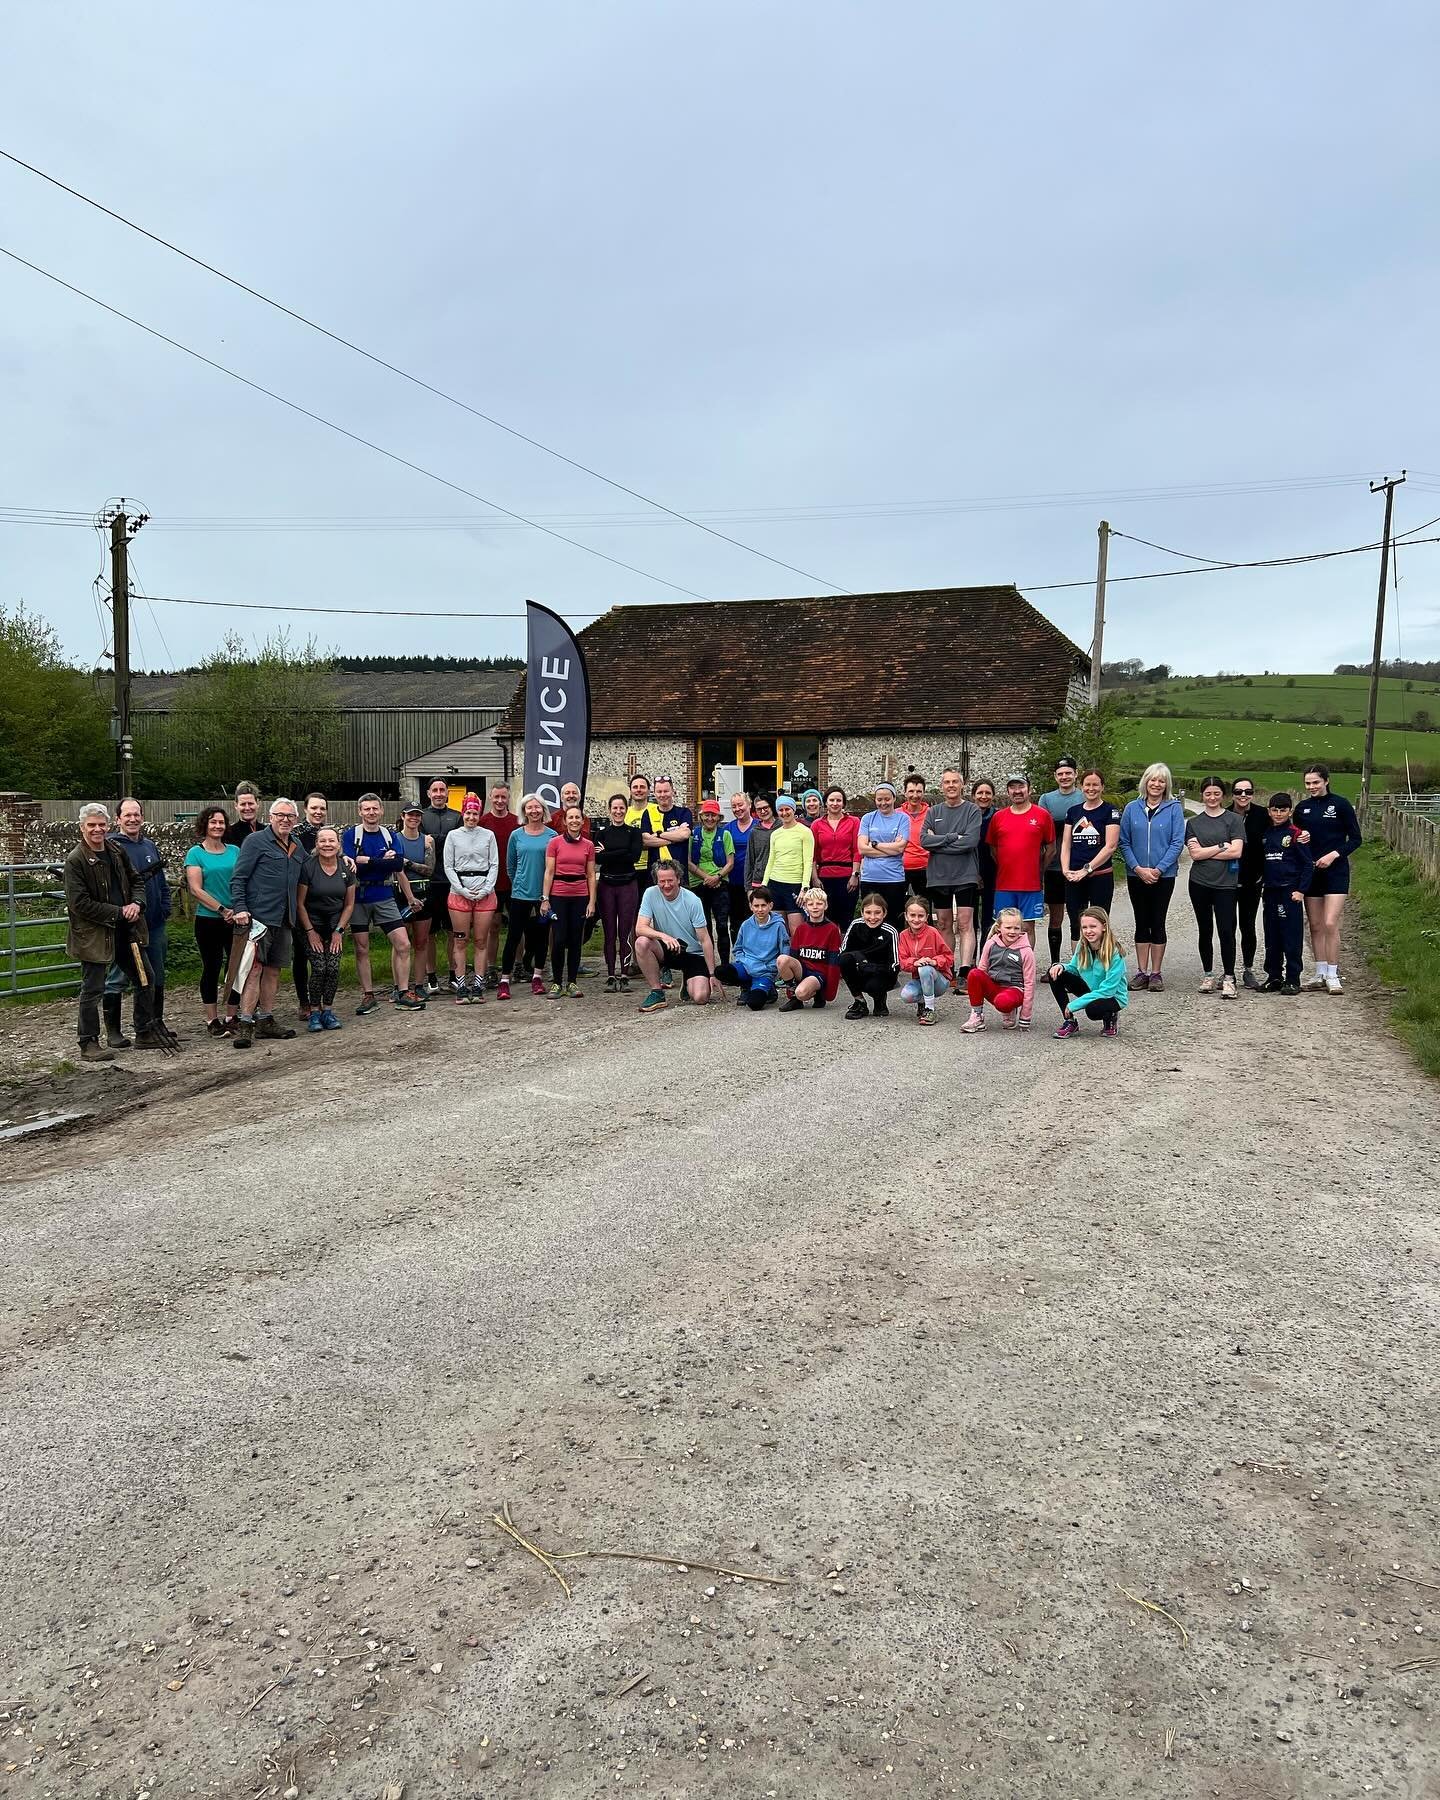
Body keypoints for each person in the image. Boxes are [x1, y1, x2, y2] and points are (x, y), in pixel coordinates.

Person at [64, 803, 159, 1061]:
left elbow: (136, 880)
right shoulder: (76, 860)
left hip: (126, 932)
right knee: (92, 988)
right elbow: (79, 903)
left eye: (101, 825)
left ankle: (144, 1031)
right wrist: (118, 912)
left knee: (144, 977)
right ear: (82, 827)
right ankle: (88, 1042)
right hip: (95, 936)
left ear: (108, 826)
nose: (97, 830)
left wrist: (137, 904)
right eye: (92, 825)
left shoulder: (116, 851)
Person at [229, 797, 306, 1048]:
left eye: (290, 816)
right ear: (271, 817)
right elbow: (239, 877)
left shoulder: (296, 846)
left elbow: (312, 866)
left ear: (296, 820)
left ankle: (266, 1020)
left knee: (274, 970)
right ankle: (245, 1023)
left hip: (285, 919)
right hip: (258, 918)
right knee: (254, 969)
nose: (285, 820)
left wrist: (343, 859)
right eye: (280, 815)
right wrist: (240, 908)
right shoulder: (255, 841)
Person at [342, 793, 425, 1014]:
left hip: (384, 895)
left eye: (374, 809)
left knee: (403, 944)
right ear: (360, 811)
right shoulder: (351, 836)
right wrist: (381, 862)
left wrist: (368, 861)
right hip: (358, 897)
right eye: (366, 809)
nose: (371, 813)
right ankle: (368, 995)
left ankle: (404, 992)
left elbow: (398, 865)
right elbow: (353, 868)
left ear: (381, 811)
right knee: (362, 948)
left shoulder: (389, 836)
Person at [105, 797, 172, 1040]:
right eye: (127, 815)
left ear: (142, 817)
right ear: (118, 819)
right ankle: (114, 1031)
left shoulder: (149, 845)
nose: (133, 819)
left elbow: (160, 879)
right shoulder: (111, 847)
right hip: (128, 925)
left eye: (137, 814)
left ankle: (155, 1024)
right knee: (121, 976)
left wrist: (165, 906)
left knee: (156, 974)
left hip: (154, 922)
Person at [1294, 763, 1362, 993]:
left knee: (1330, 923)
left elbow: (1355, 839)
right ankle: (1319, 973)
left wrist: (1334, 855)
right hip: (1311, 872)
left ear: (1326, 781)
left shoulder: (1341, 805)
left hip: (1335, 871)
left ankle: (1333, 974)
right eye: (1308, 783)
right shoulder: (1302, 808)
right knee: (1314, 925)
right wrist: (1299, 840)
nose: (1312, 786)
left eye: (1316, 782)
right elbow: (1295, 836)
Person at [1119, 762, 1186, 992]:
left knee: (1158, 921)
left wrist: (1158, 869)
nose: (1156, 784)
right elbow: (1124, 841)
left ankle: (1156, 973)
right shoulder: (1131, 808)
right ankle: (1141, 971)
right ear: (1145, 782)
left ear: (1166, 784)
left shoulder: (1174, 808)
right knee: (1141, 921)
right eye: (1152, 780)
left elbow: (1178, 842)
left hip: (1163, 876)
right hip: (1135, 874)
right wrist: (1138, 868)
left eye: (1161, 780)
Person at [919, 768, 984, 987]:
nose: (951, 785)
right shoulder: (933, 811)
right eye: (947, 782)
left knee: (966, 923)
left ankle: (966, 970)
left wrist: (939, 841)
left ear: (962, 784)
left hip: (965, 874)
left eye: (955, 781)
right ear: (942, 785)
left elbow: (970, 842)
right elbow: (924, 841)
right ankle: (948, 968)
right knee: (944, 923)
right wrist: (951, 837)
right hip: (939, 876)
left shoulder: (972, 810)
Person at [633, 860, 720, 1012]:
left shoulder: (693, 900)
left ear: (678, 879)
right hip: (667, 947)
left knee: (701, 998)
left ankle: (689, 980)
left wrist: (712, 973)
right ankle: (657, 992)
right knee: (641, 942)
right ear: (656, 881)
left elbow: (705, 939)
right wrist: (663, 936)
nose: (666, 885)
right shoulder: (650, 893)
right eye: (662, 881)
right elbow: (640, 928)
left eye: (670, 880)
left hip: (693, 953)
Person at [1185, 776, 1245, 999]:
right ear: (1202, 795)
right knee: (1205, 929)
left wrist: (1207, 851)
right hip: (1199, 882)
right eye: (1208, 793)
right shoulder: (1193, 823)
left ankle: (1229, 977)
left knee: (1226, 930)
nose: (1212, 798)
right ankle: (1208, 974)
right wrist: (1221, 846)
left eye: (1216, 793)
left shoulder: (1234, 820)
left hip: (1226, 884)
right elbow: (1195, 854)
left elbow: (1237, 851)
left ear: (1223, 795)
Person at [183, 804, 241, 1037]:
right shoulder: (196, 853)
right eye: (213, 822)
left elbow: (242, 880)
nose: (218, 826)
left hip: (236, 918)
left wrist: (237, 909)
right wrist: (221, 909)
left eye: (221, 822)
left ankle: (231, 1015)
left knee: (236, 968)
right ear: (204, 825)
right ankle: (212, 1019)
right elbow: (196, 889)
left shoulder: (235, 851)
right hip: (209, 919)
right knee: (212, 967)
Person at [296, 825, 355, 1030]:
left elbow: (349, 904)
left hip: (335, 926)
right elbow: (299, 903)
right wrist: (310, 932)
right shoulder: (308, 867)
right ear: (317, 844)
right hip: (310, 925)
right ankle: (314, 1012)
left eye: (331, 841)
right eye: (323, 841)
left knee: (333, 967)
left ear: (338, 845)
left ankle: (328, 1011)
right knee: (319, 968)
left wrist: (339, 931)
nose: (327, 845)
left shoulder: (346, 868)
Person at [443, 792, 500, 1001]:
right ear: (463, 813)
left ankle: (478, 982)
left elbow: (494, 863)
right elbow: (448, 865)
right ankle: (460, 984)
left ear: (479, 814)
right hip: (460, 892)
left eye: (475, 813)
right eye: (468, 812)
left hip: (484, 890)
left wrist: (486, 888)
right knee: (460, 940)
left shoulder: (488, 835)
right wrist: (461, 889)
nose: (471, 817)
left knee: (480, 940)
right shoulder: (453, 836)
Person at [986, 774, 1054, 945]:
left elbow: (1051, 849)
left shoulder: (1042, 815)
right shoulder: (998, 817)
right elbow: (993, 849)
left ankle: (1025, 965)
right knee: (1003, 927)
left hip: (1030, 884)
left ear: (1029, 790)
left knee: (1026, 928)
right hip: (1004, 884)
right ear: (1008, 791)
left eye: (1021, 787)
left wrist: (1038, 870)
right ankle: (1005, 966)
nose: (1017, 791)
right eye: (1013, 787)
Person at [500, 794, 556, 998]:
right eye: (530, 808)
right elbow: (511, 866)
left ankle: (537, 977)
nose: (534, 811)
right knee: (514, 937)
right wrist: (519, 883)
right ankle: (505, 980)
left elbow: (553, 868)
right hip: (520, 895)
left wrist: (545, 895)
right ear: (524, 811)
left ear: (543, 810)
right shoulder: (516, 835)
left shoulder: (552, 836)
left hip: (543, 896)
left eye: (538, 807)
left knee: (541, 937)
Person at [1258, 792, 1313, 995]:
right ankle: (1274, 977)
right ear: (1269, 811)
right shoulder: (1266, 834)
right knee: (1272, 937)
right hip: (1270, 891)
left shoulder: (1296, 834)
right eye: (1275, 810)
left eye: (1283, 810)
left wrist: (1301, 890)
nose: (1279, 814)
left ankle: (1293, 979)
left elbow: (1309, 865)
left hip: (1290, 892)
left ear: (1290, 811)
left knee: (1291, 936)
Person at [1048, 906, 1129, 1040]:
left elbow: (1107, 990)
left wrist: (1074, 1005)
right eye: (1084, 927)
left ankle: (1110, 1016)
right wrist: (1060, 966)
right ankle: (1069, 1021)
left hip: (1112, 996)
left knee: (1092, 1010)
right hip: (1092, 989)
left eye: (1093, 926)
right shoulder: (1083, 945)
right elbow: (1074, 968)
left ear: (1103, 927)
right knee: (1055, 973)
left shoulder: (1114, 953)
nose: (1088, 931)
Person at [541, 804, 597, 995]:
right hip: (558, 896)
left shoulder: (588, 845)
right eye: (570, 817)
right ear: (565, 821)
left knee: (575, 940)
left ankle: (572, 982)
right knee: (558, 939)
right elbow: (549, 872)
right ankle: (557, 982)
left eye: (577, 818)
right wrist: (545, 899)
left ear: (582, 821)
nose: (574, 821)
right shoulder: (554, 843)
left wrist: (591, 901)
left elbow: (590, 875)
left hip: (580, 896)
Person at [1060, 770, 1121, 942]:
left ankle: (1100, 966)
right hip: (1074, 877)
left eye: (1095, 784)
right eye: (1087, 784)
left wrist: (1087, 869)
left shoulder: (1110, 811)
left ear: (1102, 787)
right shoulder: (1073, 812)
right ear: (1081, 787)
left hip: (1099, 876)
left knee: (1098, 924)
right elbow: (1066, 844)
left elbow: (1110, 846)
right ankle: (1078, 967)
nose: (1091, 788)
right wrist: (1065, 870)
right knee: (1076, 924)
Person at [594, 793, 645, 992]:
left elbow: (633, 856)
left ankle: (624, 974)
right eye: (614, 808)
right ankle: (610, 974)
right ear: (609, 810)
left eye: (621, 808)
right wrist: (621, 852)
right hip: (607, 885)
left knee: (625, 931)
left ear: (626, 809)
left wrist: (609, 854)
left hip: (628, 885)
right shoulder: (601, 834)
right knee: (609, 932)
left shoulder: (634, 832)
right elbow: (598, 860)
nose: (618, 811)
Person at [419, 778, 463, 995]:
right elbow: (418, 842)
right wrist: (444, 839)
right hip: (428, 882)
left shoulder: (457, 816)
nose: (438, 793)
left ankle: (454, 975)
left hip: (452, 882)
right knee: (429, 933)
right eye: (434, 790)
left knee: (454, 932)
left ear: (447, 793)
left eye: (442, 790)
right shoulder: (421, 816)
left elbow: (459, 843)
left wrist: (435, 839)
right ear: (428, 793)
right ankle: (431, 977)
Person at [961, 906, 1036, 1033]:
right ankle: (977, 1016)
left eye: (1016, 928)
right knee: (974, 973)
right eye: (1008, 927)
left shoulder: (1026, 951)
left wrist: (1025, 1017)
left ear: (1021, 929)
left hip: (1014, 989)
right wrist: (979, 986)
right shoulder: (991, 943)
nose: (1012, 931)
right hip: (994, 987)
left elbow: (1029, 983)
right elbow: (982, 969)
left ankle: (1010, 1009)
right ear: (999, 927)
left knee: (1002, 1002)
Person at [717, 884, 791, 1009]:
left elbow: (784, 951)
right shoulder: (746, 925)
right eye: (756, 906)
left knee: (754, 1004)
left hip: (765, 971)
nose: (760, 909)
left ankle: (769, 989)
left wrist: (774, 969)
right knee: (721, 971)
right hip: (746, 966)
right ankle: (746, 986)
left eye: (763, 905)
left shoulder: (779, 926)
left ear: (770, 906)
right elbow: (738, 948)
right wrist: (743, 961)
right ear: (751, 907)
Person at [1038, 756, 1082, 964]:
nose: (1064, 777)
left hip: (1079, 866)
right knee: (1056, 917)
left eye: (1068, 773)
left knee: (1078, 917)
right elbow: (1042, 830)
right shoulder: (1046, 799)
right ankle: (1055, 964)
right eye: (1060, 774)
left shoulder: (1083, 796)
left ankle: (1080, 965)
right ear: (1055, 777)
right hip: (1054, 867)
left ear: (1075, 774)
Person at [290, 792, 329, 1018]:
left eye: (322, 808)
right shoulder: (295, 835)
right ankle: (304, 1002)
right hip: (301, 900)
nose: (318, 812)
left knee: (323, 955)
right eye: (314, 808)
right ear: (305, 810)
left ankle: (320, 998)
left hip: (324, 901)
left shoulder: (329, 834)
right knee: (302, 954)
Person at [1230, 776, 1269, 989]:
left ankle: (1248, 969)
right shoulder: (1225, 814)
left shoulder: (1263, 815)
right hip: (1226, 880)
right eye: (1238, 791)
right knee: (1228, 927)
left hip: (1253, 880)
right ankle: (1228, 971)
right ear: (1233, 793)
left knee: (1248, 925)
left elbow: (1282, 833)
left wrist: (1302, 835)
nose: (1243, 795)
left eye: (1247, 791)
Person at [479, 784, 519, 987]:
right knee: (492, 927)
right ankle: (491, 968)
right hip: (492, 883)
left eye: (503, 797)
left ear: (508, 798)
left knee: (517, 927)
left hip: (514, 882)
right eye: (496, 797)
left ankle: (519, 965)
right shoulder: (483, 822)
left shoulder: (517, 821)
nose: (500, 801)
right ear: (490, 797)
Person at [838, 892, 900, 1019]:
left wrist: (875, 969)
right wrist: (861, 959)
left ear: (884, 913)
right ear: (862, 912)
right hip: (860, 968)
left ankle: (880, 1000)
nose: (872, 917)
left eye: (877, 913)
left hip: (881, 972)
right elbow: (843, 952)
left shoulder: (891, 931)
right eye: (868, 912)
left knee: (873, 986)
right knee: (844, 960)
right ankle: (859, 1002)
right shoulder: (856, 925)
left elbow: (895, 963)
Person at [395, 800, 436, 993]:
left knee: (422, 941)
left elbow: (429, 870)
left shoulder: (427, 841)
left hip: (424, 892)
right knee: (400, 943)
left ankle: (419, 985)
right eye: (410, 814)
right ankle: (398, 986)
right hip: (400, 893)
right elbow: (395, 868)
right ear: (403, 816)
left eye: (417, 815)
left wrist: (406, 862)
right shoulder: (394, 839)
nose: (414, 818)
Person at [779, 887, 841, 1011]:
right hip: (802, 970)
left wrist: (829, 992)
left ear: (826, 906)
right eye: (810, 904)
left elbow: (834, 962)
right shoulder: (801, 929)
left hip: (819, 974)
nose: (815, 907)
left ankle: (817, 993)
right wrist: (791, 991)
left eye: (819, 903)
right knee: (782, 959)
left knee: (802, 992)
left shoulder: (832, 929)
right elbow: (794, 955)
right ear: (805, 907)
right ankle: (794, 999)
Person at [857, 783, 910, 927]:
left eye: (887, 799)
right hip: (870, 878)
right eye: (879, 799)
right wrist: (890, 847)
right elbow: (862, 849)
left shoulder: (903, 819)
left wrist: (874, 844)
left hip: (894, 879)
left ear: (894, 798)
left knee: (894, 921)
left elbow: (899, 848)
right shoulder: (867, 818)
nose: (883, 803)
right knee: (871, 922)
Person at [897, 894, 954, 1026]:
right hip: (919, 979)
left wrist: (934, 961)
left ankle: (930, 1010)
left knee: (925, 969)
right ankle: (923, 1003)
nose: (916, 919)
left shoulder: (932, 932)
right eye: (912, 915)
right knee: (906, 996)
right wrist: (914, 962)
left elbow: (948, 957)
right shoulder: (903, 936)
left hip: (939, 980)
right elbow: (902, 961)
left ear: (927, 917)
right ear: (906, 916)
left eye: (920, 916)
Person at [689, 798, 735, 963]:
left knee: (722, 926)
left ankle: (724, 965)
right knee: (704, 927)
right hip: (698, 883)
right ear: (701, 817)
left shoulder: (725, 835)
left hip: (720, 884)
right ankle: (707, 965)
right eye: (707, 815)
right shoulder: (693, 834)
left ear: (719, 818)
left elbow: (730, 862)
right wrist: (705, 877)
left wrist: (717, 877)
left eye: (713, 815)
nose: (710, 818)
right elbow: (688, 862)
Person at [762, 792, 815, 931]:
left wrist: (805, 888)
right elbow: (771, 860)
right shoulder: (775, 834)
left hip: (795, 885)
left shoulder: (805, 832)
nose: (784, 813)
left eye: (787, 809)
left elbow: (808, 861)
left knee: (796, 931)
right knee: (779, 930)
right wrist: (764, 885)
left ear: (793, 810)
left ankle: (794, 954)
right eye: (781, 810)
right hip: (775, 884)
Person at [811, 786, 860, 928]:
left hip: (847, 877)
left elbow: (857, 850)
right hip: (824, 877)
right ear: (825, 802)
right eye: (831, 800)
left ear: (843, 803)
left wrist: (855, 875)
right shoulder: (817, 824)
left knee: (846, 918)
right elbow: (813, 854)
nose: (835, 803)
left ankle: (844, 948)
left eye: (839, 800)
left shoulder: (854, 822)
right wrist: (815, 877)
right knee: (826, 918)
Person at [720, 792, 758, 942]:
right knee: (735, 921)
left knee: (754, 918)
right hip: (733, 882)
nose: (737, 809)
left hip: (754, 882)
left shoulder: (758, 826)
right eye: (734, 806)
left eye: (740, 805)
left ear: (749, 805)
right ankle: (738, 954)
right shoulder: (728, 828)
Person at [650, 775, 693, 881]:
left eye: (666, 791)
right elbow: (646, 840)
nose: (662, 795)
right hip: (656, 876)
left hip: (679, 875)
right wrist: (675, 837)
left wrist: (659, 834)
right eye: (659, 792)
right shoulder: (649, 813)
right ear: (654, 793)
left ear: (673, 791)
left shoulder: (684, 812)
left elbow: (684, 835)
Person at [971, 778, 998, 942]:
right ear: (974, 795)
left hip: (994, 872)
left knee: (989, 919)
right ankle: (972, 960)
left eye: (987, 793)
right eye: (980, 793)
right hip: (969, 872)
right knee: (970, 920)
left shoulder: (998, 816)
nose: (984, 796)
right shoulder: (967, 815)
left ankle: (986, 960)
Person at [899, 774, 931, 898]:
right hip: (900, 869)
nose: (915, 795)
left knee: (924, 907)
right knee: (898, 908)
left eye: (919, 791)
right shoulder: (896, 814)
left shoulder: (932, 814)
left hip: (925, 868)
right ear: (905, 793)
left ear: (923, 793)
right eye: (911, 791)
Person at [743, 794, 776, 895]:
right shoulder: (754, 831)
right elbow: (750, 860)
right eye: (759, 809)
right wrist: (748, 888)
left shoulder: (782, 827)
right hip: (759, 881)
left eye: (765, 807)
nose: (763, 811)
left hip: (779, 878)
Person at [224, 781, 262, 846]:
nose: (247, 808)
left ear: (258, 803)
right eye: (243, 804)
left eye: (250, 803)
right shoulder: (227, 834)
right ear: (236, 805)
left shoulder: (267, 832)